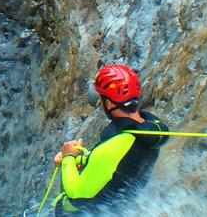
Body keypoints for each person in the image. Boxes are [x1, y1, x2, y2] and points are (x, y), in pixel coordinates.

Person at [52, 64, 168, 215]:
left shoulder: (118, 143)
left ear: (109, 103)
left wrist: (68, 158)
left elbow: (77, 196)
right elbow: (113, 167)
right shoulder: (146, 134)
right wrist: (77, 160)